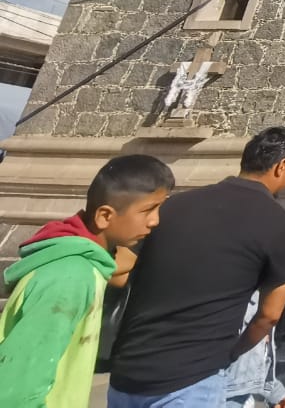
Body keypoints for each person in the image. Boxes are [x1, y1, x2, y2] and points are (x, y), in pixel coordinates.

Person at [108, 126, 285, 408]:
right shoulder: (279, 224)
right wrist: (232, 353)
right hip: (193, 380)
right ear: (281, 166)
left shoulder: (175, 204)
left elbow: (118, 272)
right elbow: (269, 315)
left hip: (129, 370)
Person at [0, 154, 173, 407]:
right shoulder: (70, 277)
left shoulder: (87, 265)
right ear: (105, 216)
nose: (155, 220)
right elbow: (17, 388)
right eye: (147, 210)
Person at [223, 253, 285, 408]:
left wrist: (276, 392)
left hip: (240, 391)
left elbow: (262, 360)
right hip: (229, 391)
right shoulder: (252, 311)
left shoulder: (262, 309)